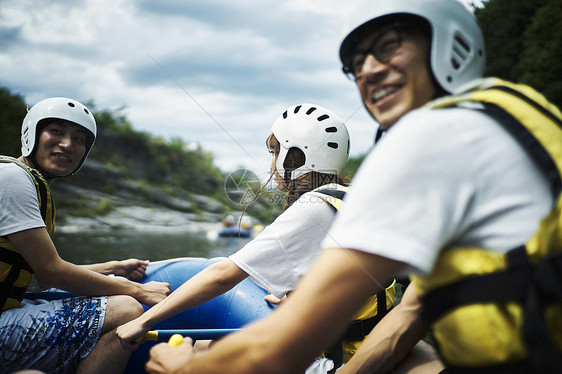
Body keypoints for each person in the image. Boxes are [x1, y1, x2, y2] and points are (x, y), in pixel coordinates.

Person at [144, 0, 562, 373]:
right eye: (357, 63)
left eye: (389, 46)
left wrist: (189, 367)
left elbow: (278, 351)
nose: (368, 70)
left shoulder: (435, 139)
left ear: (450, 42)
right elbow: (413, 309)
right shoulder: (512, 113)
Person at [117, 103, 396, 373]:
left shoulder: (312, 210)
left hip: (338, 363)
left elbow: (223, 275)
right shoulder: (348, 198)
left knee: (200, 352)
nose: (272, 163)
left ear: (295, 157)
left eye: (276, 152)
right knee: (206, 345)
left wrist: (144, 321)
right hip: (363, 348)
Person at [0, 97, 172, 374]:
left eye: (79, 139)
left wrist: (113, 267)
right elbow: (51, 273)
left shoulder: (25, 180)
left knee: (111, 290)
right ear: (31, 133)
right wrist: (138, 290)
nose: (68, 144)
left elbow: (32, 272)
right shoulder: (12, 179)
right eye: (56, 131)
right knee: (127, 308)